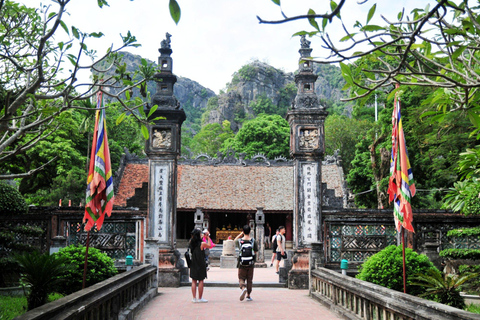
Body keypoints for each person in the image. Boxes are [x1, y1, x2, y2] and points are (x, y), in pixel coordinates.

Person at [234, 225, 258, 302]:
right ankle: (248, 295)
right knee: (249, 279)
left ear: (243, 231)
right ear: (250, 231)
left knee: (241, 278)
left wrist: (241, 234)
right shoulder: (253, 241)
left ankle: (243, 288)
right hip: (250, 263)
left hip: (241, 263)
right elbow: (255, 252)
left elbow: (234, 240)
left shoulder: (240, 241)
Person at [189, 228, 212, 303]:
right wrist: (207, 237)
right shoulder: (202, 244)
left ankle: (194, 298)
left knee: (194, 280)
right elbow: (209, 245)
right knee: (201, 280)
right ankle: (200, 297)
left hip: (193, 262)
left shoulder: (191, 242)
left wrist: (202, 237)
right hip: (200, 263)